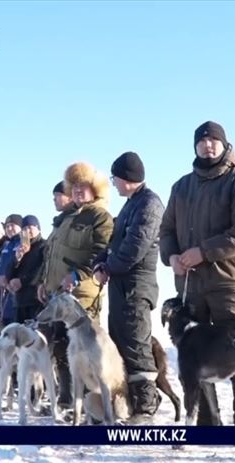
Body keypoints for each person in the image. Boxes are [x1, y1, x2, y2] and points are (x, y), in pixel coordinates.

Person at [159, 121, 235, 426]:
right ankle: (207, 423)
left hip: (227, 283)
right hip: (190, 285)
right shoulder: (181, 186)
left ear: (224, 144)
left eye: (213, 140)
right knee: (195, 357)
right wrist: (173, 256)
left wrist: (203, 251)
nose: (207, 145)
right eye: (202, 141)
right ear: (195, 146)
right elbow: (166, 231)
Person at [93, 151, 165, 423]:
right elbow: (113, 243)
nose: (113, 183)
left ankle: (146, 408)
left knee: (136, 344)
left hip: (137, 286)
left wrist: (109, 267)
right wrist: (100, 263)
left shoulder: (149, 204)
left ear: (127, 177)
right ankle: (131, 404)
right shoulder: (130, 204)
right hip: (121, 287)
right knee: (121, 342)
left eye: (115, 178)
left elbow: (135, 246)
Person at [37, 162, 114, 408]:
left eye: (84, 187)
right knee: (62, 350)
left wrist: (78, 274)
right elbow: (51, 255)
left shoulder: (100, 216)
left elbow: (102, 252)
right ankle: (67, 401)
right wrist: (43, 282)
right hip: (58, 295)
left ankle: (96, 407)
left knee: (88, 355)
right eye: (75, 187)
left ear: (95, 189)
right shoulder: (68, 218)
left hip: (82, 295)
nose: (79, 191)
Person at [8, 215, 46, 323]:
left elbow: (42, 270)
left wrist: (22, 281)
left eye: (30, 227)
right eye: (24, 229)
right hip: (19, 300)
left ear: (38, 228)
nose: (27, 231)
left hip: (35, 299)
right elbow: (9, 274)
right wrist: (17, 258)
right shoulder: (20, 248)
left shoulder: (44, 246)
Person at [0, 214, 23, 324]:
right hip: (5, 294)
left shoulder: (22, 243)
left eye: (12, 225)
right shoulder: (6, 246)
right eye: (7, 226)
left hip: (17, 290)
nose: (9, 229)